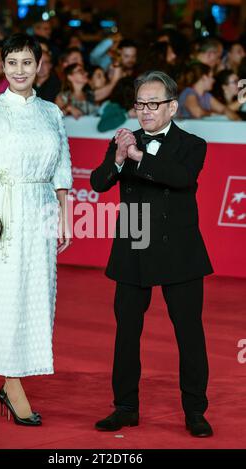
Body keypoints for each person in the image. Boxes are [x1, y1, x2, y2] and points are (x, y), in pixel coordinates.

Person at [90, 70, 214, 437]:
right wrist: (118, 156)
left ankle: (195, 410)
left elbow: (180, 178)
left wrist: (137, 155)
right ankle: (125, 406)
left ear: (172, 107)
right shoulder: (124, 140)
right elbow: (98, 183)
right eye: (140, 104)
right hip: (133, 242)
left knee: (189, 334)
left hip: (180, 249)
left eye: (153, 104)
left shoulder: (193, 144)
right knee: (127, 332)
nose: (145, 111)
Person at [0, 33, 72, 426]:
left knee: (37, 297)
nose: (20, 70)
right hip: (4, 210)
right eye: (12, 63)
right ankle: (12, 383)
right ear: (2, 66)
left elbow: (61, 170)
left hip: (40, 211)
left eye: (27, 62)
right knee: (6, 296)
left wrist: (65, 214)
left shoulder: (52, 113)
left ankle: (17, 377)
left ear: (39, 66)